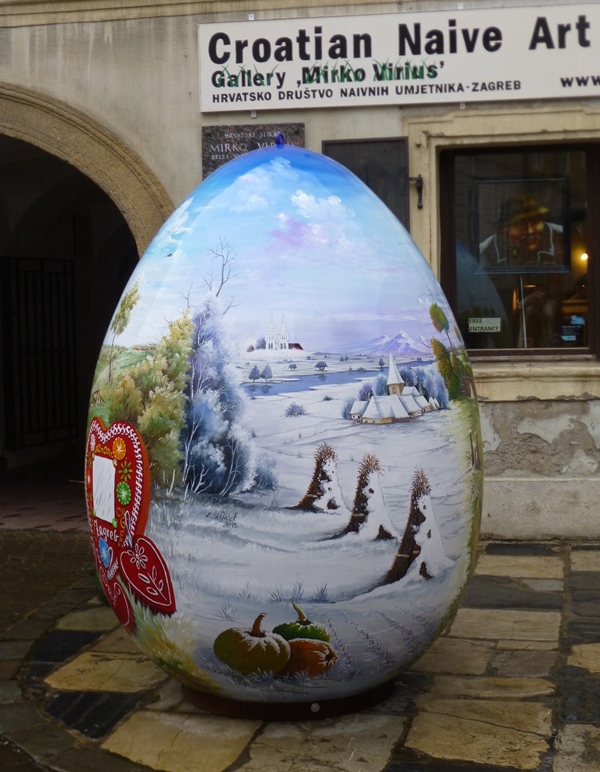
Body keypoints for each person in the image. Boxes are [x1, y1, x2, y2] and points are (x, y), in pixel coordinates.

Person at [480, 194, 563, 270]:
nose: (530, 231)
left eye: (535, 220)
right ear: (504, 229)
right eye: (519, 223)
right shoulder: (486, 249)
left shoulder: (563, 235)